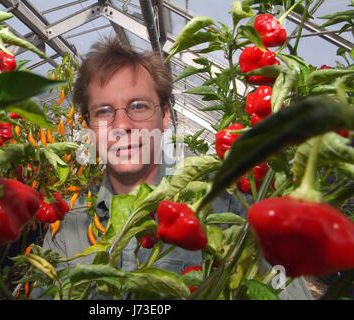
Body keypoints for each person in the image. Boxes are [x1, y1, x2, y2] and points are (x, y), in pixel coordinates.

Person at [32, 37, 313, 300]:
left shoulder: (232, 206)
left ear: (165, 115)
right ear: (90, 126)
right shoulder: (70, 225)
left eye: (139, 106)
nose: (121, 126)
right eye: (103, 111)